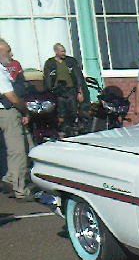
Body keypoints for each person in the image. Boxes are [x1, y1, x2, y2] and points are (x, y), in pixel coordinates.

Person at [0, 38, 34, 200]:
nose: (11, 54)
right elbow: (12, 97)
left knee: (17, 147)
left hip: (7, 111)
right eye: (8, 51)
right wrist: (25, 111)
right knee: (18, 150)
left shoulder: (4, 69)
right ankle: (19, 188)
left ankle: (10, 179)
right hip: (8, 111)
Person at [42, 43, 87, 133]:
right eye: (62, 51)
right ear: (56, 51)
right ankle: (63, 129)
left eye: (64, 51)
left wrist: (80, 91)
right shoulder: (50, 63)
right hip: (58, 91)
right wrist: (49, 92)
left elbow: (78, 77)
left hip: (70, 90)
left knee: (73, 110)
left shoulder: (71, 61)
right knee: (61, 112)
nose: (64, 53)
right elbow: (47, 79)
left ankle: (73, 127)